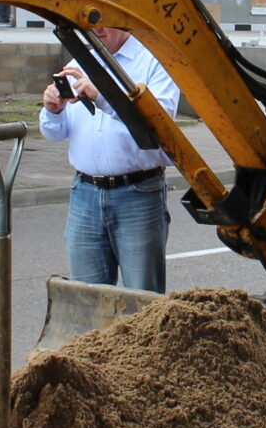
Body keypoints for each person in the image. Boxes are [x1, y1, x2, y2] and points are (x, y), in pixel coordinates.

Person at [39, 25, 181, 291]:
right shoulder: (80, 62)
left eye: (103, 18)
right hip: (85, 193)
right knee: (86, 297)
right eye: (90, 21)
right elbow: (54, 133)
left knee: (143, 299)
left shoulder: (153, 62)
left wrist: (102, 96)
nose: (97, 28)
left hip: (137, 193)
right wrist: (52, 110)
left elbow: (160, 125)